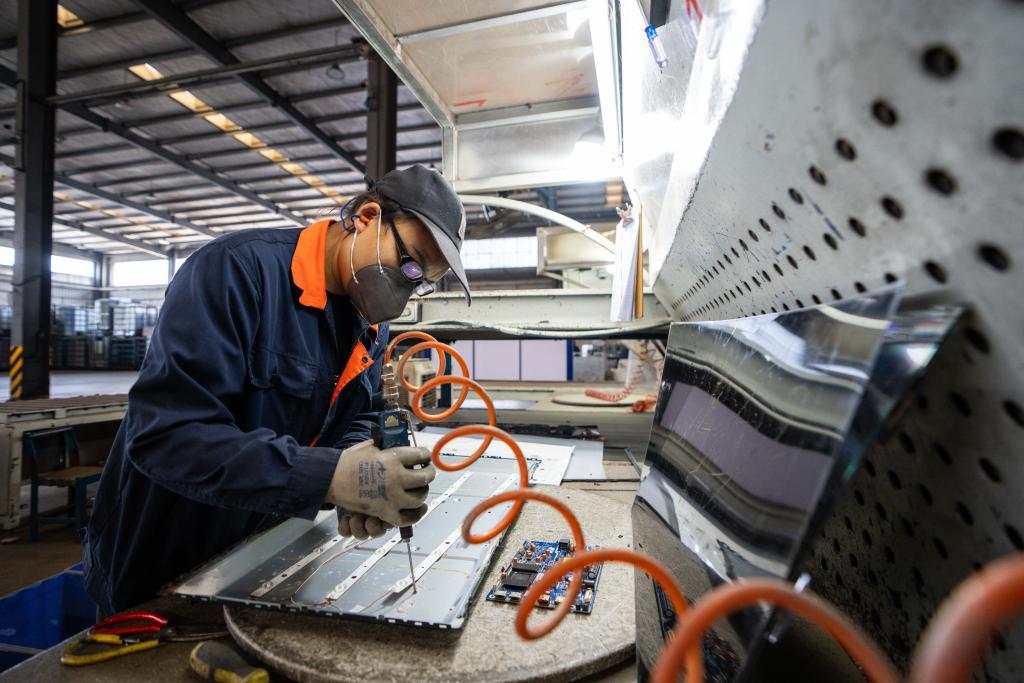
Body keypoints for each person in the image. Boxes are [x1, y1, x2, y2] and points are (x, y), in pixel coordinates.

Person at [83, 165, 472, 617]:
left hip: (259, 555)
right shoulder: (234, 271)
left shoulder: (368, 321)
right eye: (409, 264)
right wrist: (328, 477)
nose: (407, 288)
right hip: (163, 562)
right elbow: (167, 436)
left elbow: (361, 411)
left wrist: (361, 473)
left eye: (421, 281)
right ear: (366, 217)